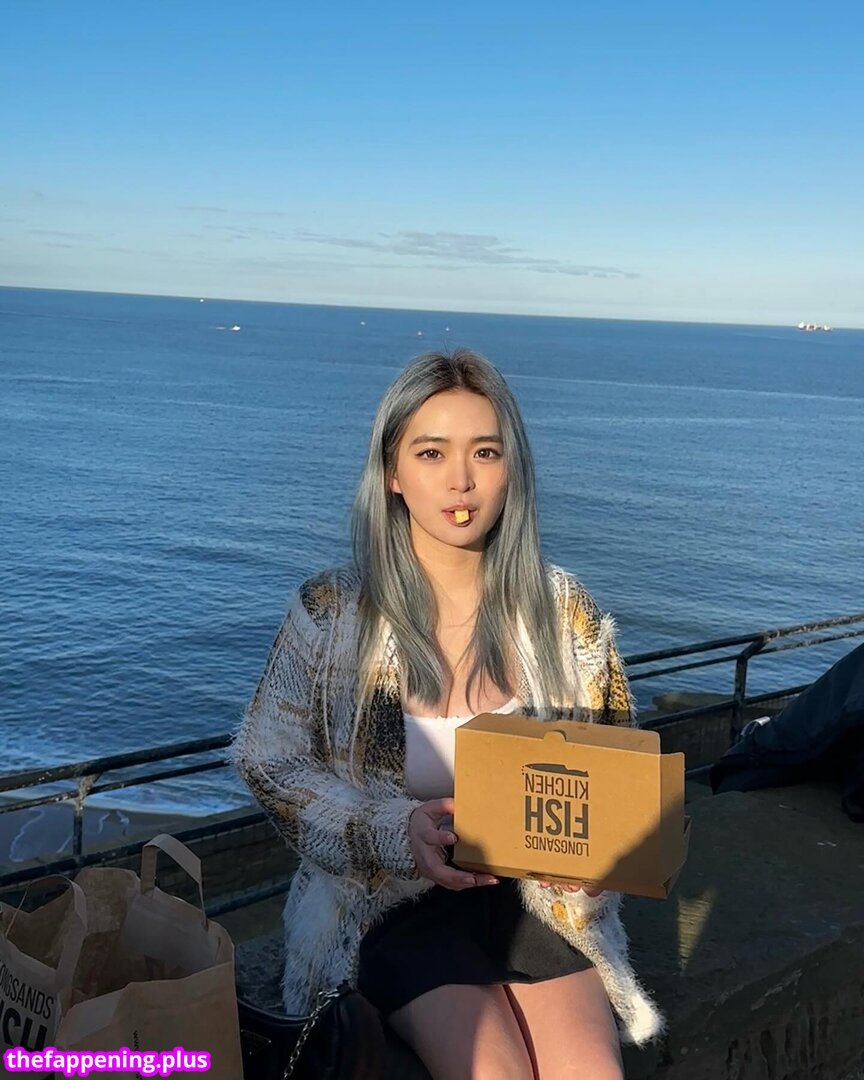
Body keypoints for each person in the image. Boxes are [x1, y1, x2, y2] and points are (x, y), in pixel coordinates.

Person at [233, 349, 664, 1079]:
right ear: (393, 474)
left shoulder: (566, 613)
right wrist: (390, 830)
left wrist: (603, 855)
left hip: (536, 908)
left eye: (485, 452)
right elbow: (267, 762)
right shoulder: (333, 612)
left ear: (512, 468)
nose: (461, 480)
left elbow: (616, 776)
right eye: (431, 453)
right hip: (385, 911)